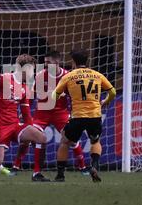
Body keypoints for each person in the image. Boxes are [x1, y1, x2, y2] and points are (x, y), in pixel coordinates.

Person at [12, 50, 89, 180]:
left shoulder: (67, 76)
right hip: (42, 113)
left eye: (48, 62)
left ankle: (83, 166)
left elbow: (75, 95)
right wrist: (24, 111)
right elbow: (31, 95)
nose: (45, 64)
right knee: (31, 137)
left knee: (71, 138)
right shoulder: (40, 76)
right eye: (45, 62)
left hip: (60, 113)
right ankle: (19, 166)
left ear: (57, 62)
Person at [53, 50, 116, 182]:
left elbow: (55, 95)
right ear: (86, 61)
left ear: (73, 62)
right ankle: (94, 166)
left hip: (78, 116)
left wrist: (61, 96)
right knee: (95, 141)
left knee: (64, 142)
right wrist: (105, 102)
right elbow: (113, 92)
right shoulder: (97, 75)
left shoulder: (69, 76)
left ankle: (60, 175)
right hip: (95, 116)